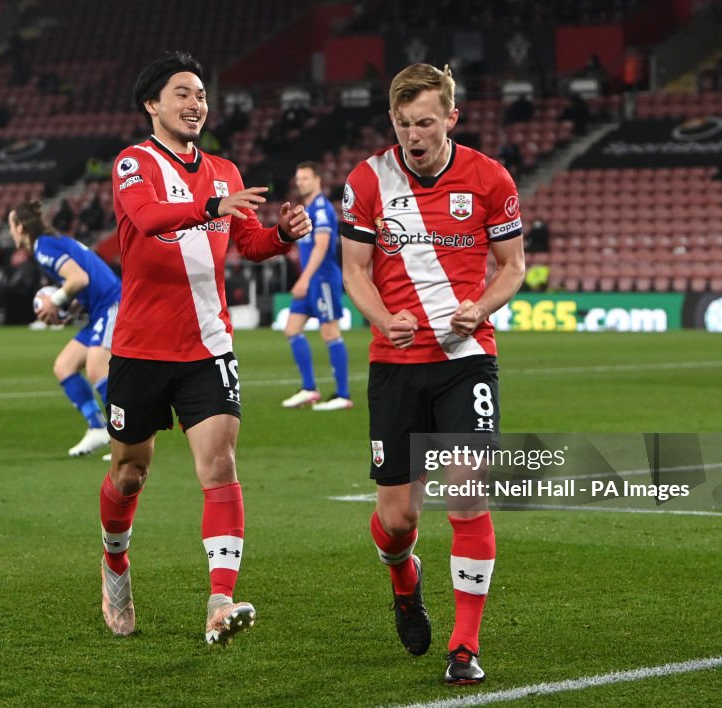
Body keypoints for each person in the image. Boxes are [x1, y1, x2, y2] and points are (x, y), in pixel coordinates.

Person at [101, 51, 312, 644]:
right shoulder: (132, 163)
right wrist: (212, 207)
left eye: (201, 95)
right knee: (129, 474)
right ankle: (115, 562)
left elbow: (247, 243)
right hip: (141, 348)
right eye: (183, 94)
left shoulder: (225, 169)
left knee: (220, 467)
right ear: (153, 104)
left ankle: (220, 601)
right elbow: (145, 220)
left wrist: (281, 236)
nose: (196, 104)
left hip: (208, 346)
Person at [340, 63, 526, 684]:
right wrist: (380, 315)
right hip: (395, 365)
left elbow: (513, 266)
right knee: (398, 520)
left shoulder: (490, 177)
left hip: (465, 359)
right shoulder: (366, 180)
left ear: (451, 117)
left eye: (425, 122)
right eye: (402, 123)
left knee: (468, 492)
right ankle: (404, 578)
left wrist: (482, 306)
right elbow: (356, 271)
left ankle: (466, 646)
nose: (413, 135)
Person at [9, 199, 122, 458]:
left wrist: (55, 301)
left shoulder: (44, 248)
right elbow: (85, 280)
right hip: (99, 309)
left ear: (21, 228)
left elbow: (79, 278)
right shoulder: (52, 244)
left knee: (97, 369)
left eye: (11, 226)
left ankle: (126, 436)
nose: (10, 232)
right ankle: (97, 428)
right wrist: (68, 310)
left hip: (114, 305)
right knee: (64, 366)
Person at [281, 161, 352, 411]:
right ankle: (310, 389)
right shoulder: (307, 208)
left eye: (305, 178)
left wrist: (304, 278)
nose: (300, 182)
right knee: (291, 329)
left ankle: (343, 394)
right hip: (311, 280)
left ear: (317, 179)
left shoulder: (321, 209)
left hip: (321, 279)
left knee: (330, 332)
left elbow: (322, 247)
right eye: (298, 179)